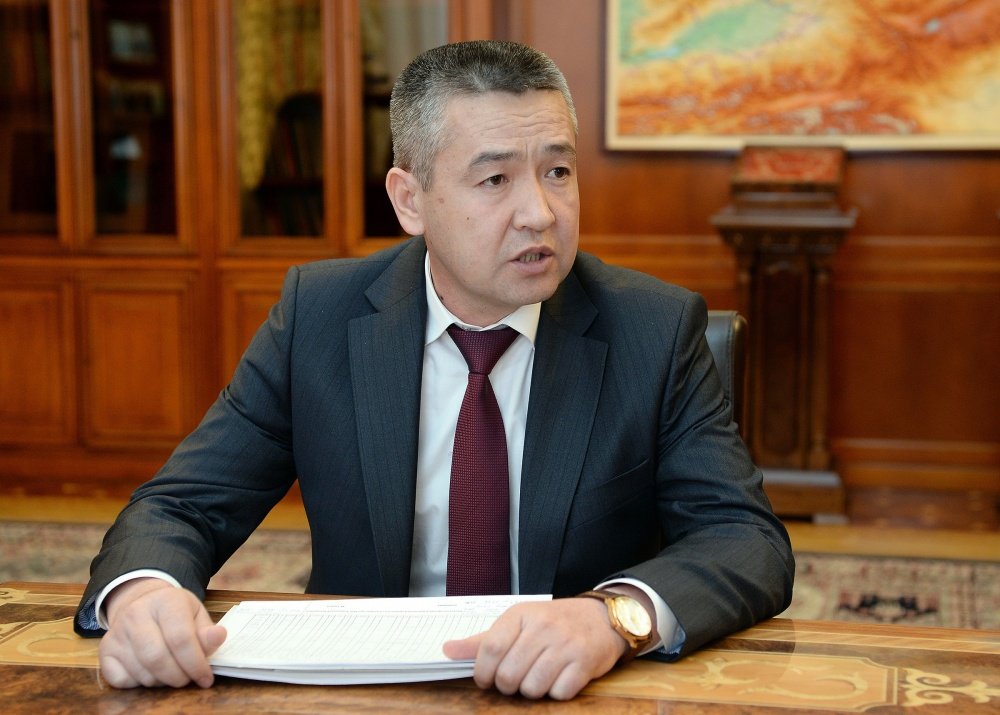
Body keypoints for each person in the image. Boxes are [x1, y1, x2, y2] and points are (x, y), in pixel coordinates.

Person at [75, 40, 793, 700]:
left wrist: (612, 617)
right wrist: (144, 595)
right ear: (409, 199)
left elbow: (746, 539)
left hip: (568, 692)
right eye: (495, 179)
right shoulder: (318, 318)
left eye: (558, 171)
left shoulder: (653, 330)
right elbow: (181, 505)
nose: (540, 213)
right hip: (364, 695)